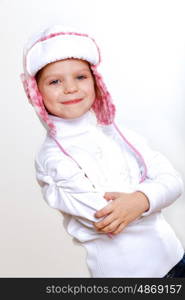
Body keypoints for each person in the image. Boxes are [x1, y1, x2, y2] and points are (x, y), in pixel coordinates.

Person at [21, 25, 185, 278]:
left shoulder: (117, 133)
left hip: (176, 257)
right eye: (55, 81)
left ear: (96, 81)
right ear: (36, 92)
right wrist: (152, 194)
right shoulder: (53, 157)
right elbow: (104, 219)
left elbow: (174, 182)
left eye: (80, 77)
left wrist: (140, 200)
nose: (71, 88)